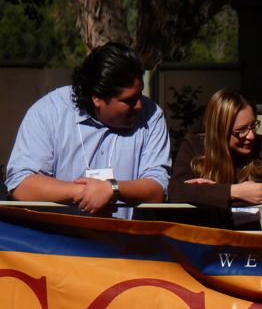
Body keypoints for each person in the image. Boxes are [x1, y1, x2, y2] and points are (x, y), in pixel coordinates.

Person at [6, 42, 170, 218]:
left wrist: (112, 189)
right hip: (60, 242)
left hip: (126, 242)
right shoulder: (49, 113)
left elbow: (158, 189)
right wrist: (86, 192)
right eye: (128, 100)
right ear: (97, 98)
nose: (139, 105)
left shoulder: (152, 116)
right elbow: (21, 185)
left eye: (140, 94)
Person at [168, 88, 262, 230]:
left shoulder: (259, 145)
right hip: (203, 242)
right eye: (241, 131)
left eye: (253, 126)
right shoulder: (193, 145)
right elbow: (176, 192)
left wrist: (209, 194)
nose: (251, 136)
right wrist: (236, 192)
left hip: (246, 242)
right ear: (219, 130)